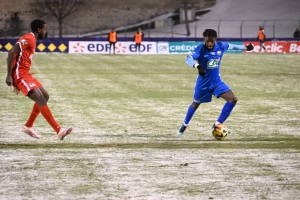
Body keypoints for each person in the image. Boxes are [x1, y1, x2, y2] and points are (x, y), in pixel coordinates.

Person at [178, 29, 253, 137]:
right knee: (195, 104)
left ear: (215, 40)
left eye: (212, 41)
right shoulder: (200, 49)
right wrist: (197, 66)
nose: (209, 43)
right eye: (207, 41)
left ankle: (217, 124)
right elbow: (188, 58)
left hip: (217, 82)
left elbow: (232, 46)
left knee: (233, 99)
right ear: (204, 39)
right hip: (203, 84)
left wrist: (246, 47)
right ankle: (184, 125)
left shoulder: (221, 46)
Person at [5, 19, 72, 140]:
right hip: (20, 75)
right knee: (41, 100)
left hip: (26, 74)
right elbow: (11, 52)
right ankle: (59, 130)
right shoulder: (29, 38)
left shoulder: (32, 40)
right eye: (44, 30)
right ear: (39, 30)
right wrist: (10, 75)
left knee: (45, 96)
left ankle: (28, 126)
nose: (45, 32)